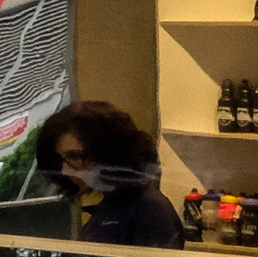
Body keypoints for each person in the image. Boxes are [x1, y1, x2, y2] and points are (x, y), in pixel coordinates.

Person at [38, 100, 185, 248]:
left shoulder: (148, 208)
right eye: (60, 160)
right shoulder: (113, 206)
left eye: (75, 156)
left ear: (108, 153)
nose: (65, 170)